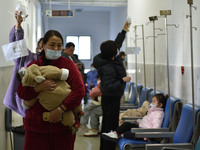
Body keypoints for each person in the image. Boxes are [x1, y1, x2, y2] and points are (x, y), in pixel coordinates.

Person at [17, 30, 85, 150]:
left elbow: (79, 91)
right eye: (52, 44)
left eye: (59, 45)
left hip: (62, 128)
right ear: (43, 46)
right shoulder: (33, 66)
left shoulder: (68, 66)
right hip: (36, 128)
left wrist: (61, 109)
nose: (55, 48)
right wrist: (39, 88)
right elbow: (22, 93)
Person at [93, 21, 131, 150]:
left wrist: (124, 30)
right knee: (109, 128)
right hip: (111, 98)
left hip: (111, 98)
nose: (117, 48)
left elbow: (117, 43)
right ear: (113, 53)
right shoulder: (108, 66)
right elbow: (109, 86)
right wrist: (123, 80)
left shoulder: (108, 58)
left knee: (108, 127)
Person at [3, 11, 37, 117]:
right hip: (25, 104)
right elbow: (17, 44)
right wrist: (18, 25)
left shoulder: (55, 63)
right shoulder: (29, 58)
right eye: (40, 46)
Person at [102, 94, 167, 142]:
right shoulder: (152, 111)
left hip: (145, 133)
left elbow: (156, 127)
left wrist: (148, 135)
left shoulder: (159, 114)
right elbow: (147, 121)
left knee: (128, 133)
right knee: (126, 124)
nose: (151, 103)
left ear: (160, 105)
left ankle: (119, 135)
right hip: (141, 127)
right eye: (152, 101)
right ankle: (115, 134)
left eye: (154, 101)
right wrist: (139, 121)